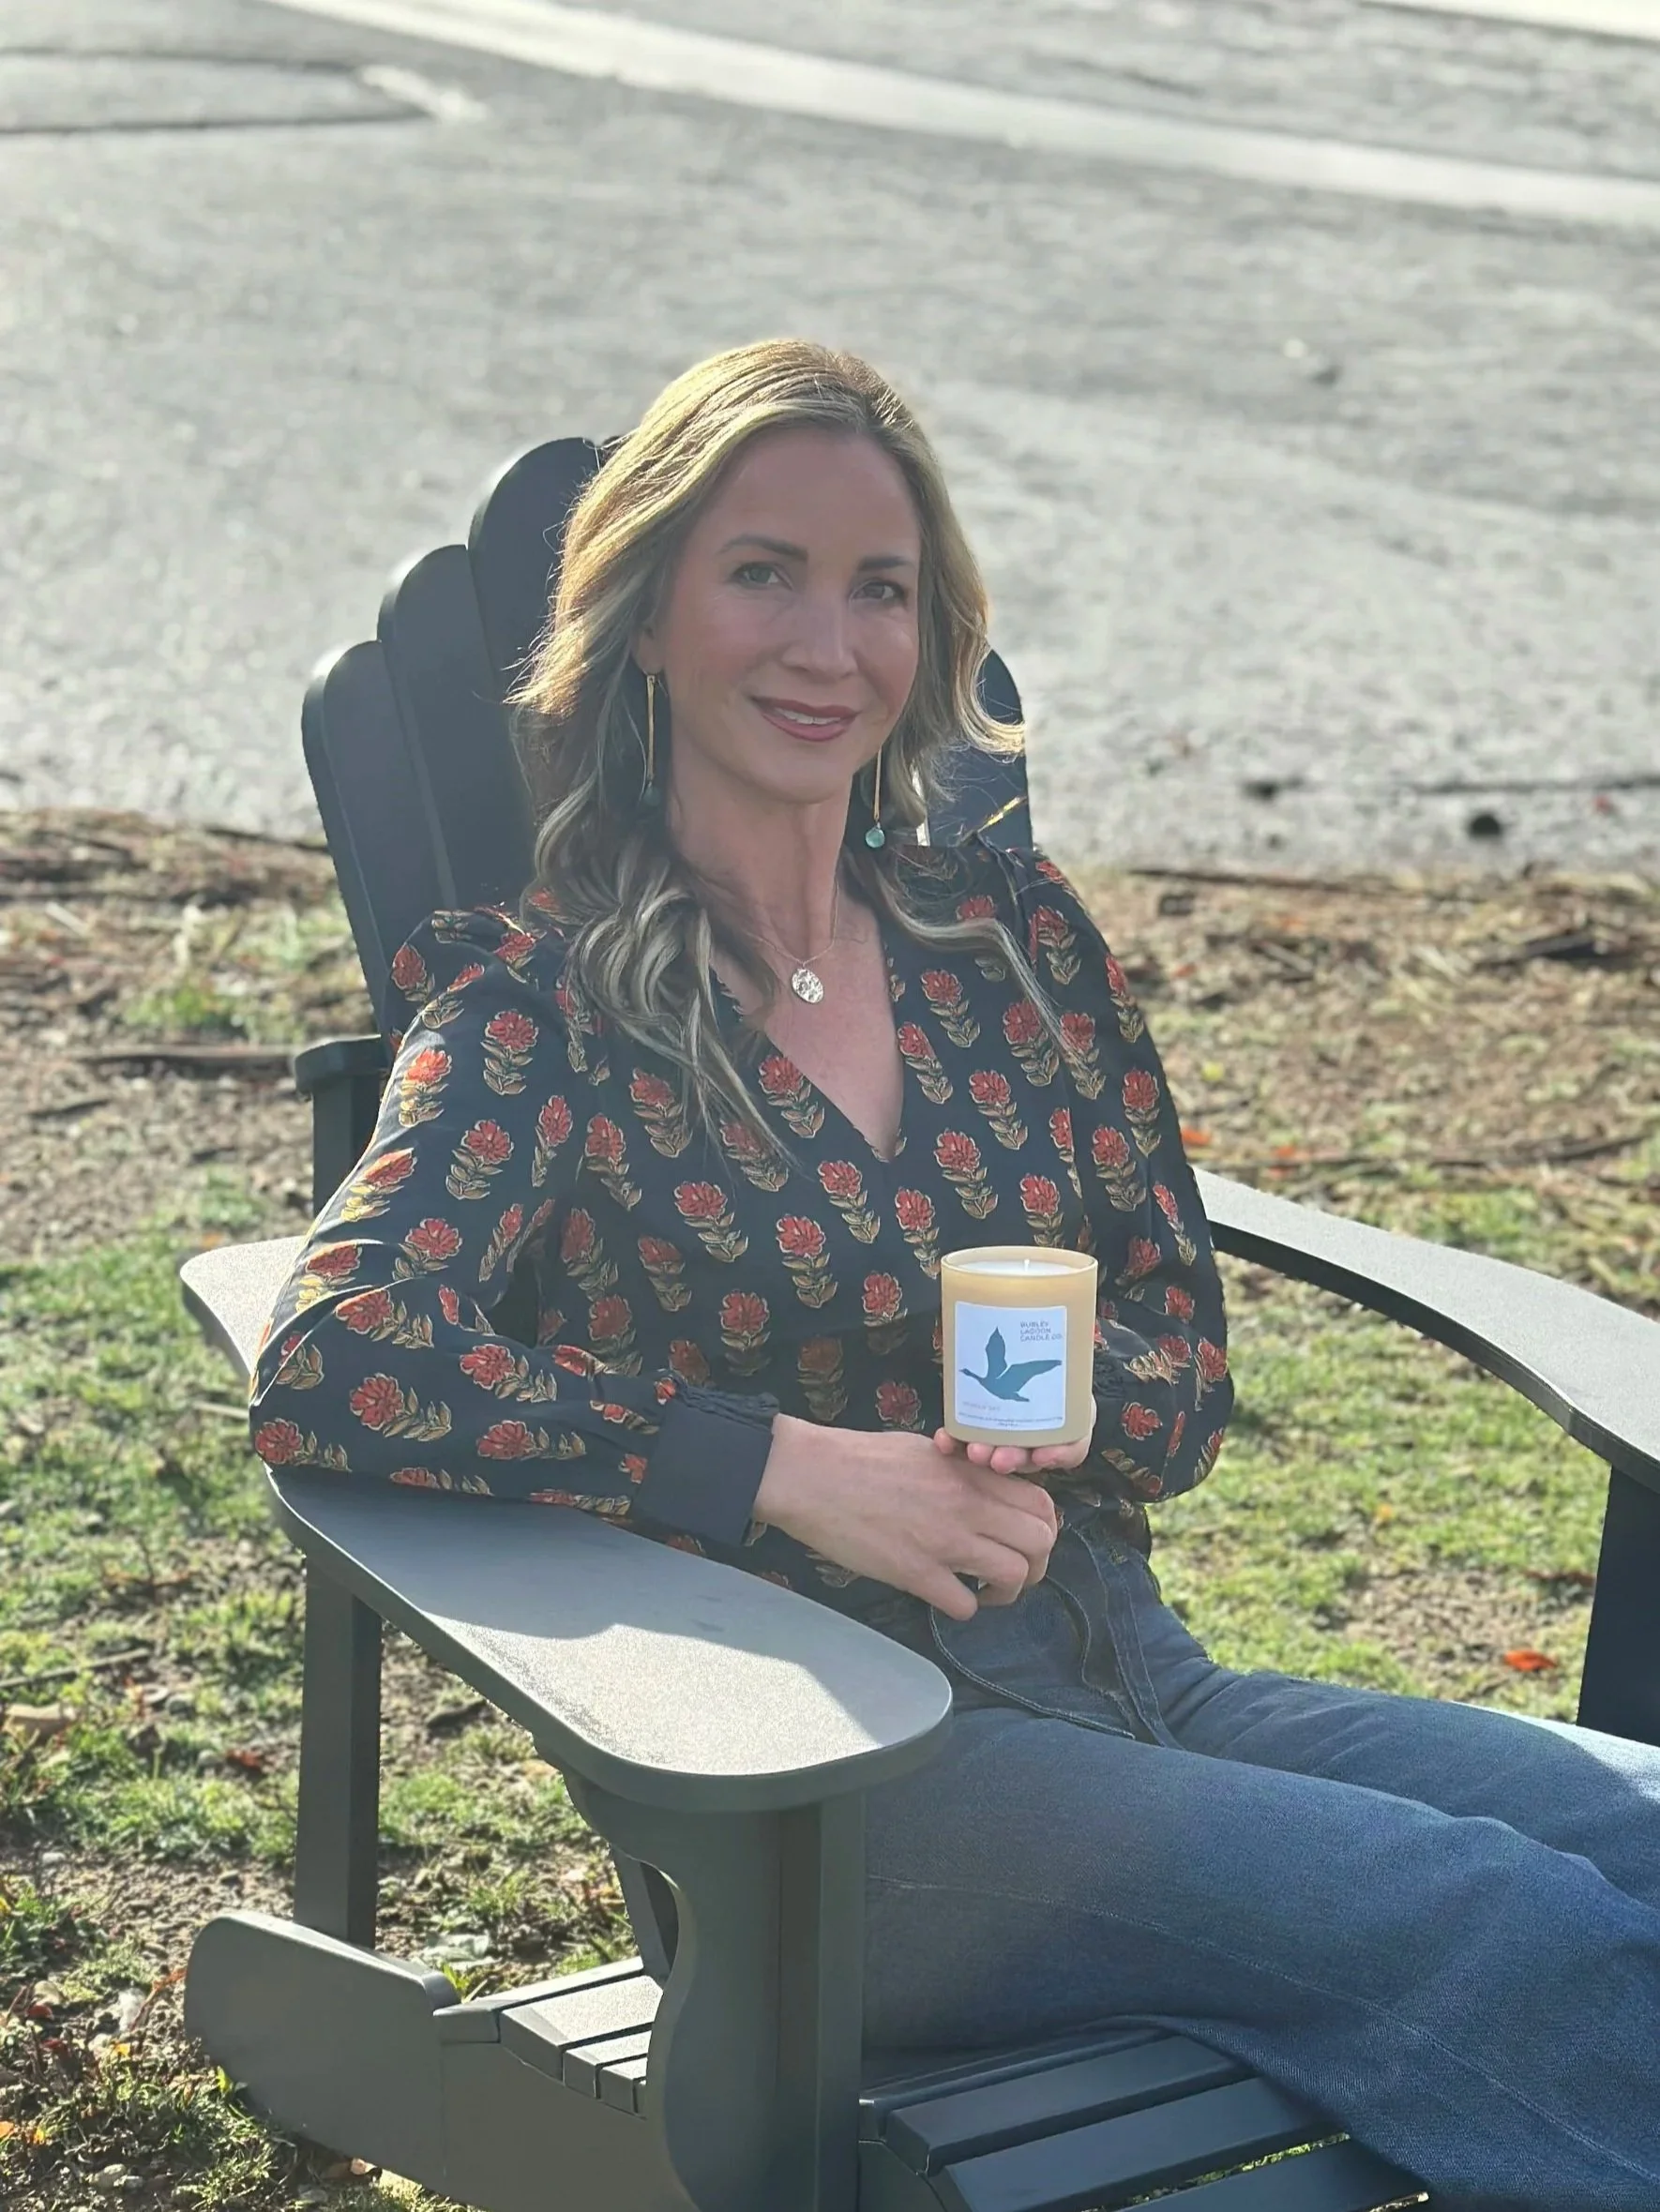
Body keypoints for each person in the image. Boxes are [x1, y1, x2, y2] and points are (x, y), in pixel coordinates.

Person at [249, 339, 1660, 2210]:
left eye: (881, 589)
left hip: (1135, 1679)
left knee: (1618, 1839)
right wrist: (789, 1470)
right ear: (650, 615)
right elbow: (339, 1356)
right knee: (1485, 1914)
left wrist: (1079, 1403)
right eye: (765, 571)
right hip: (832, 1790)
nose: (827, 643)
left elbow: (1181, 1367)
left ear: (933, 638)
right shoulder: (539, 1003)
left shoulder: (1005, 940)